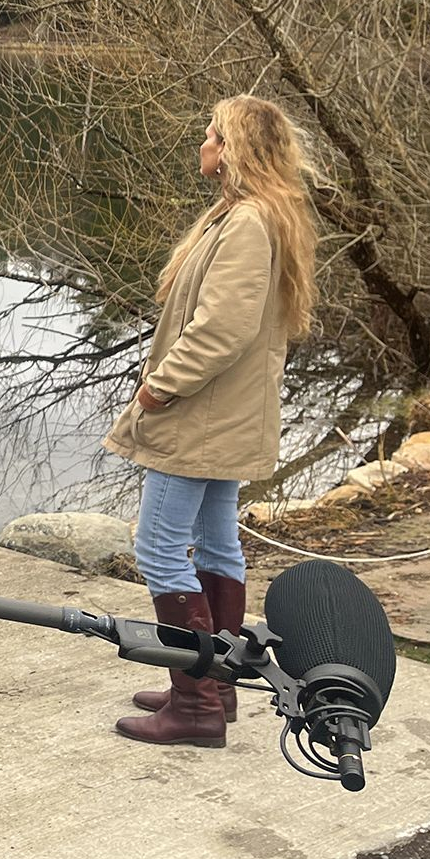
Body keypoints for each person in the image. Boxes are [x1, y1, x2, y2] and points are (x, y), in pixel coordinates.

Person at [103, 95, 321, 748]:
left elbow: (222, 328)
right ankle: (214, 684)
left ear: (233, 150)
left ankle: (195, 703)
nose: (203, 141)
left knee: (160, 548)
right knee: (217, 543)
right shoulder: (248, 217)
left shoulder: (249, 222)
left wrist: (157, 391)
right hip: (223, 416)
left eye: (213, 133)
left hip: (200, 417)